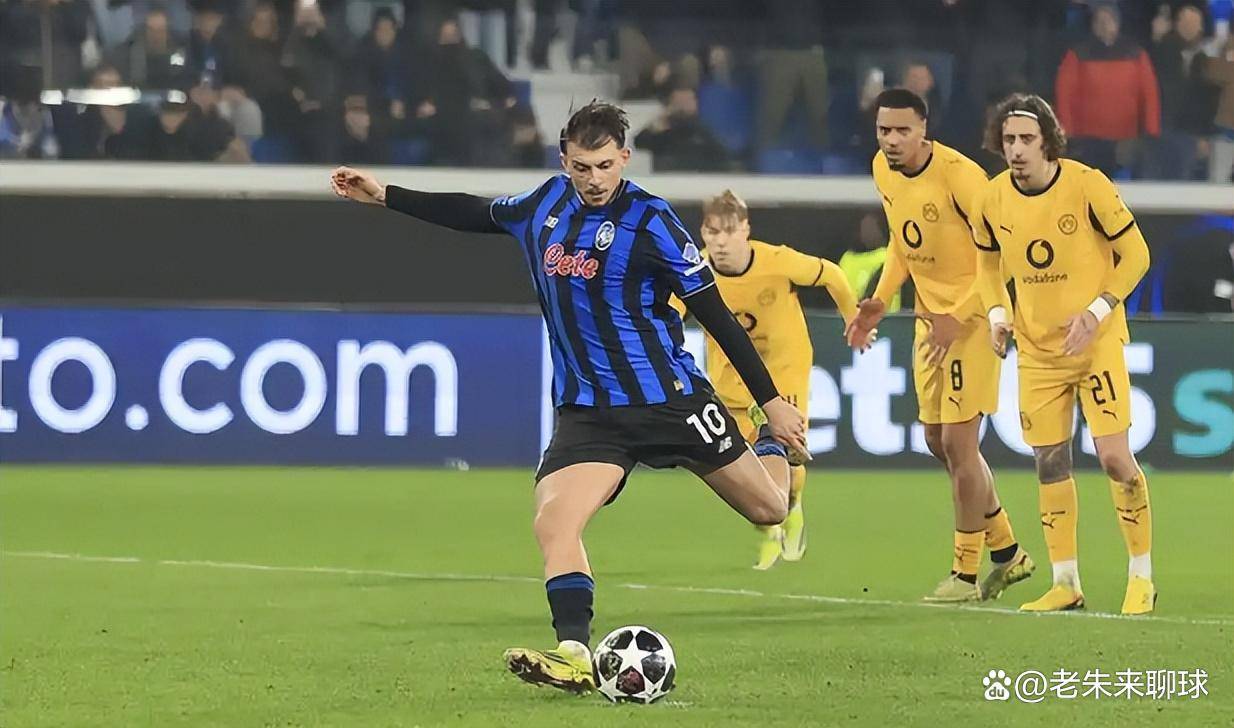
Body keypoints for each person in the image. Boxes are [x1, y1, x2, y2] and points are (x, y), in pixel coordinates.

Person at [329, 101, 806, 693]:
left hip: (670, 401)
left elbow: (715, 315)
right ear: (564, 161)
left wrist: (772, 402)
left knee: (770, 509)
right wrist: (385, 196)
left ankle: (770, 447)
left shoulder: (653, 221)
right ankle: (574, 652)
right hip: (590, 413)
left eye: (605, 166)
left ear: (624, 158)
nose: (594, 179)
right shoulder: (544, 205)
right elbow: (474, 212)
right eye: (582, 167)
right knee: (554, 522)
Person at [845, 88, 1033, 604]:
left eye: (902, 130)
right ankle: (1007, 550)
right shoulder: (882, 171)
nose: (892, 140)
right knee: (935, 440)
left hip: (973, 322)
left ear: (924, 129)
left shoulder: (961, 178)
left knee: (958, 444)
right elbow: (902, 244)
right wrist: (881, 299)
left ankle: (965, 575)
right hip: (931, 323)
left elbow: (1005, 255)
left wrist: (963, 315)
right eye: (884, 130)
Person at [972, 93, 1155, 615]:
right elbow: (987, 266)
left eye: (1027, 139)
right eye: (1009, 139)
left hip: (1095, 344)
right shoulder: (991, 199)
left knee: (1114, 457)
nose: (1016, 149)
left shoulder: (1087, 185)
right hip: (1037, 351)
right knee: (1049, 463)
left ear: (1048, 142)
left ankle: (1141, 576)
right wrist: (997, 314)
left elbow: (1136, 254)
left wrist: (1096, 312)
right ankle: (1065, 583)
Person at [673, 189, 865, 570]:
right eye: (713, 232)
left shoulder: (777, 261)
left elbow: (832, 275)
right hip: (731, 381)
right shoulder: (696, 272)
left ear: (746, 229)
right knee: (744, 465)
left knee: (784, 454)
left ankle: (791, 510)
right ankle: (769, 531)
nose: (721, 241)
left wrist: (852, 317)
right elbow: (669, 315)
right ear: (703, 233)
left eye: (729, 231)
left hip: (783, 373)